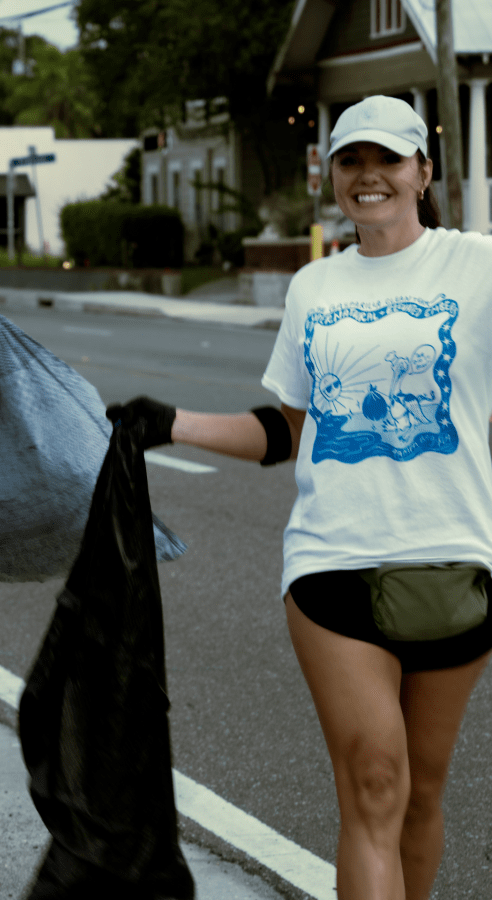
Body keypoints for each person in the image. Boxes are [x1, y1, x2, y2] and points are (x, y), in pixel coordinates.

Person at [110, 95, 492, 900]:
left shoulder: (478, 267)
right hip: (333, 561)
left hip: (458, 558)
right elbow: (286, 431)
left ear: (424, 171)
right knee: (375, 783)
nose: (368, 176)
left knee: (423, 792)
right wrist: (171, 423)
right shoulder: (315, 286)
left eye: (388, 159)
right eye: (351, 160)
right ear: (331, 175)